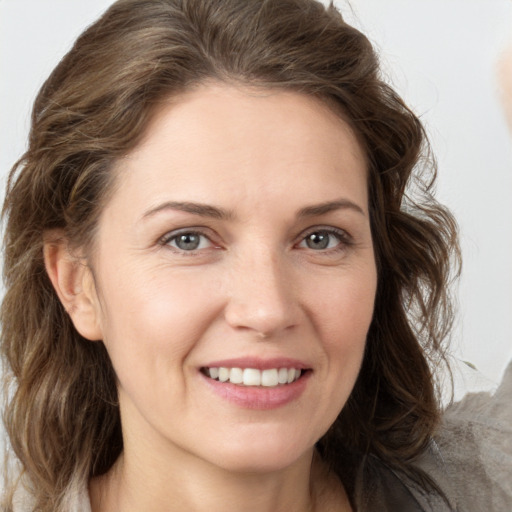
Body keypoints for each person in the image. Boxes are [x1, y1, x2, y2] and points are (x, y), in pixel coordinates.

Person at [0, 0, 510, 511]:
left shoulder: (484, 487)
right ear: (76, 283)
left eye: (320, 238)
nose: (267, 309)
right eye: (188, 239)